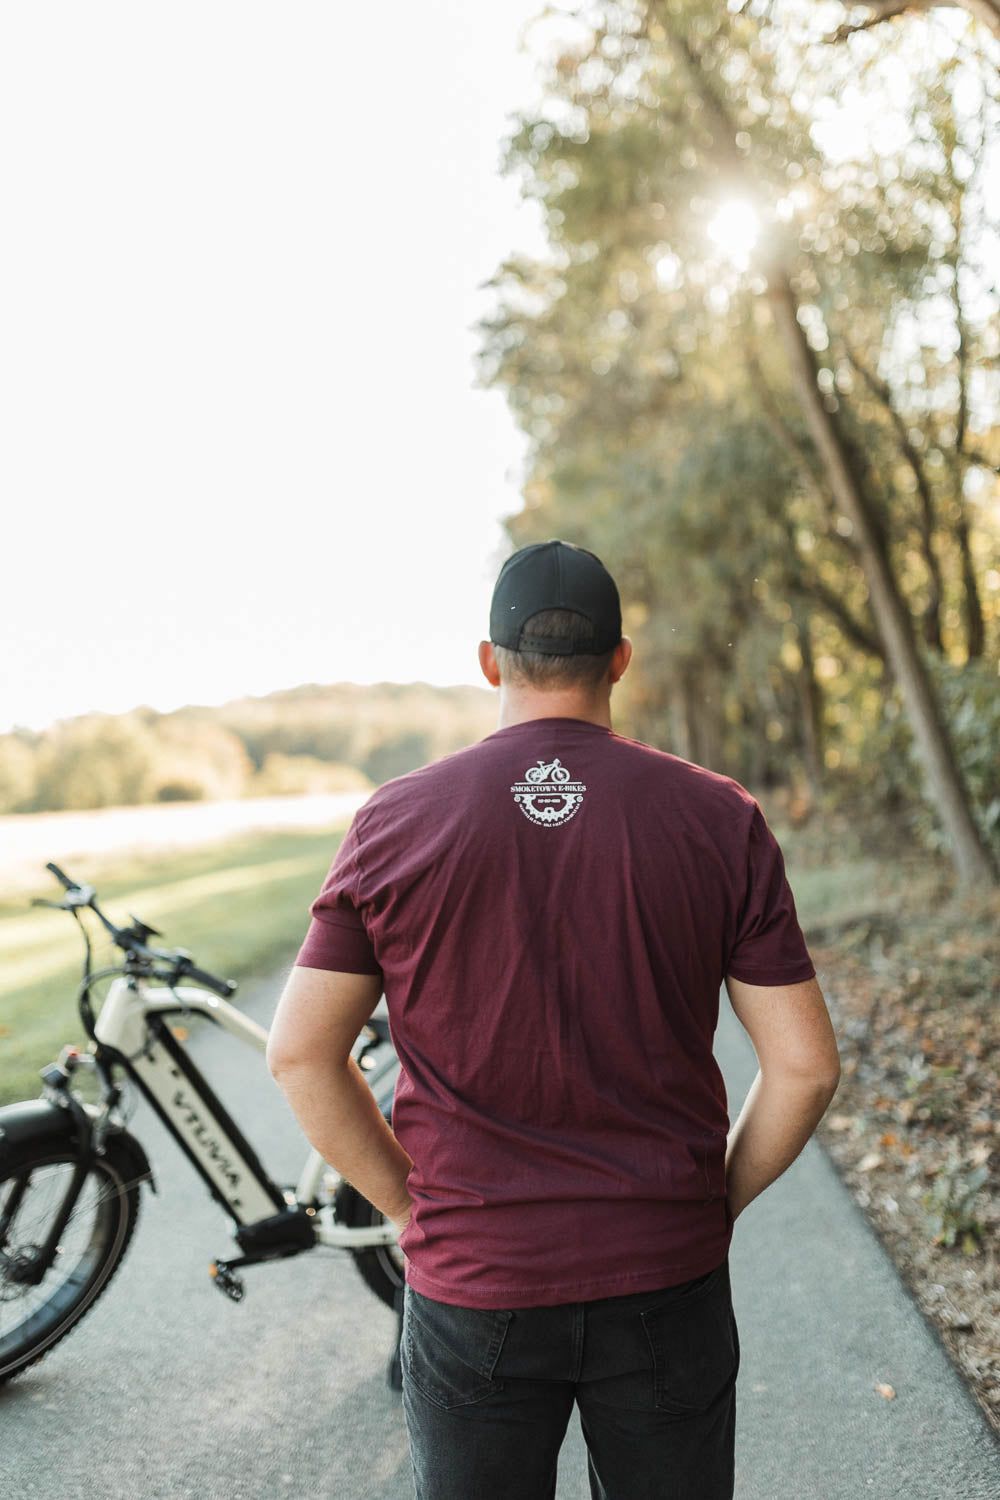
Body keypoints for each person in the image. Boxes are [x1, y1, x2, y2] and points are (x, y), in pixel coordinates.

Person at [267, 539, 841, 1500]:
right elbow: (806, 1069)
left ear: (489, 662)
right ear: (619, 661)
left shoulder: (395, 821)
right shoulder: (719, 818)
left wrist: (414, 1211)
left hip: (472, 1281)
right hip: (665, 1268)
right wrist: (713, 1203)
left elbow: (298, 1056)